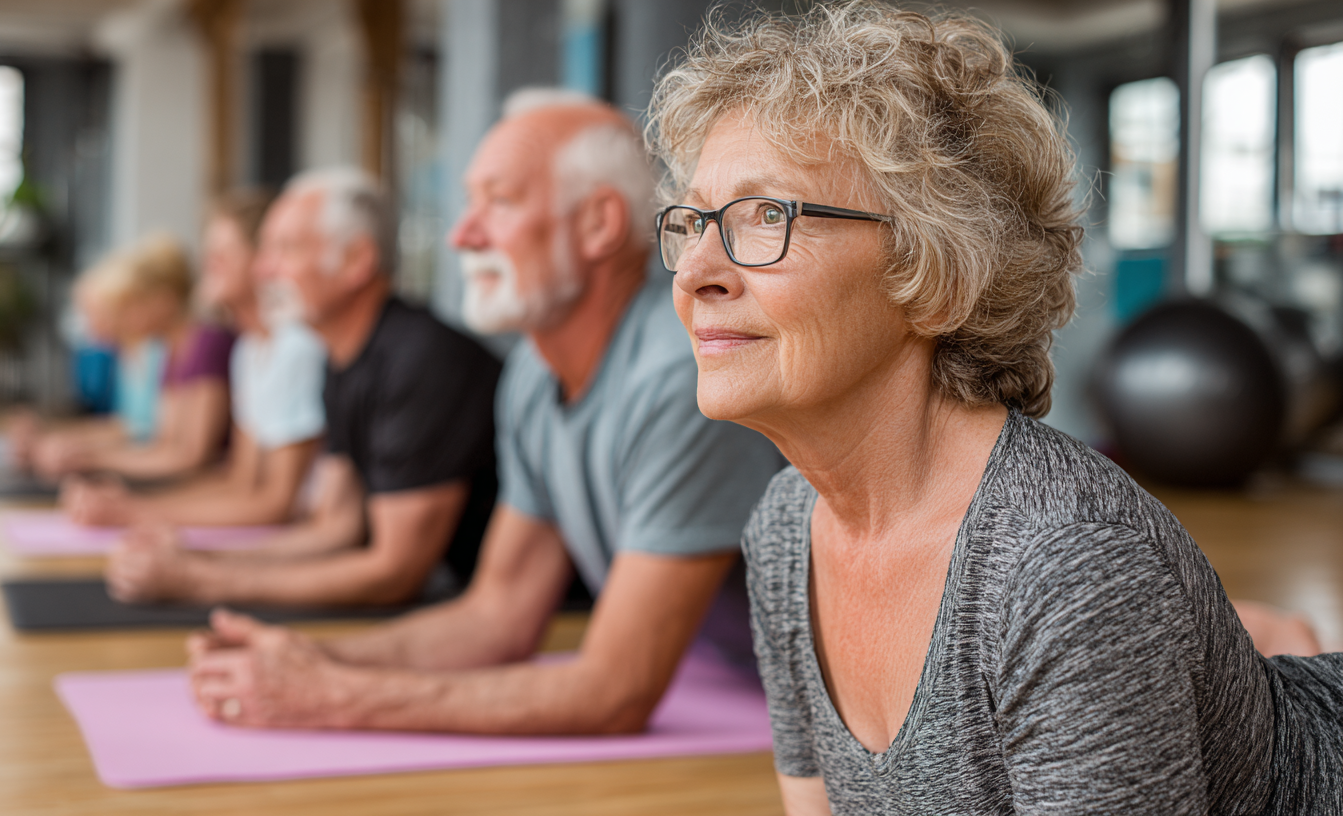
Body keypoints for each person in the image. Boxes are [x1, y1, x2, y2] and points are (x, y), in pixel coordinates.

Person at [646, 5, 1343, 814]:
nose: (695, 270)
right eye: (693, 221)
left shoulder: (1063, 564)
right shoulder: (785, 528)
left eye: (767, 216)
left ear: (935, 273)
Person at [182, 91, 786, 734]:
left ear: (599, 225)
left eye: (497, 202)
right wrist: (305, 658)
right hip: (724, 684)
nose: (462, 234)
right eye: (469, 203)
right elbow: (496, 615)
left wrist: (331, 694)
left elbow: (617, 691)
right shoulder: (531, 373)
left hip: (803, 723)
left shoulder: (676, 375)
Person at [104, 168, 503, 607]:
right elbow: (336, 528)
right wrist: (203, 558)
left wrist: (203, 581)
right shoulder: (342, 359)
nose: (263, 269)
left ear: (356, 262)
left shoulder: (423, 359)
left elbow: (396, 571)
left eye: (286, 249)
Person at [62, 189, 327, 528]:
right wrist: (132, 505)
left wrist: (136, 511)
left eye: (224, 253)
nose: (208, 262)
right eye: (209, 251)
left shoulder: (294, 347)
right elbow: (238, 482)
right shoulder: (248, 350)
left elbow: (276, 502)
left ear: (264, 260)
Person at [14, 234, 235, 483]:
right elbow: (164, 443)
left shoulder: (207, 342)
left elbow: (191, 456)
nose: (122, 315)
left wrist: (90, 459)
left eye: (133, 303)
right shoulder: (172, 353)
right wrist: (81, 453)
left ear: (164, 299)